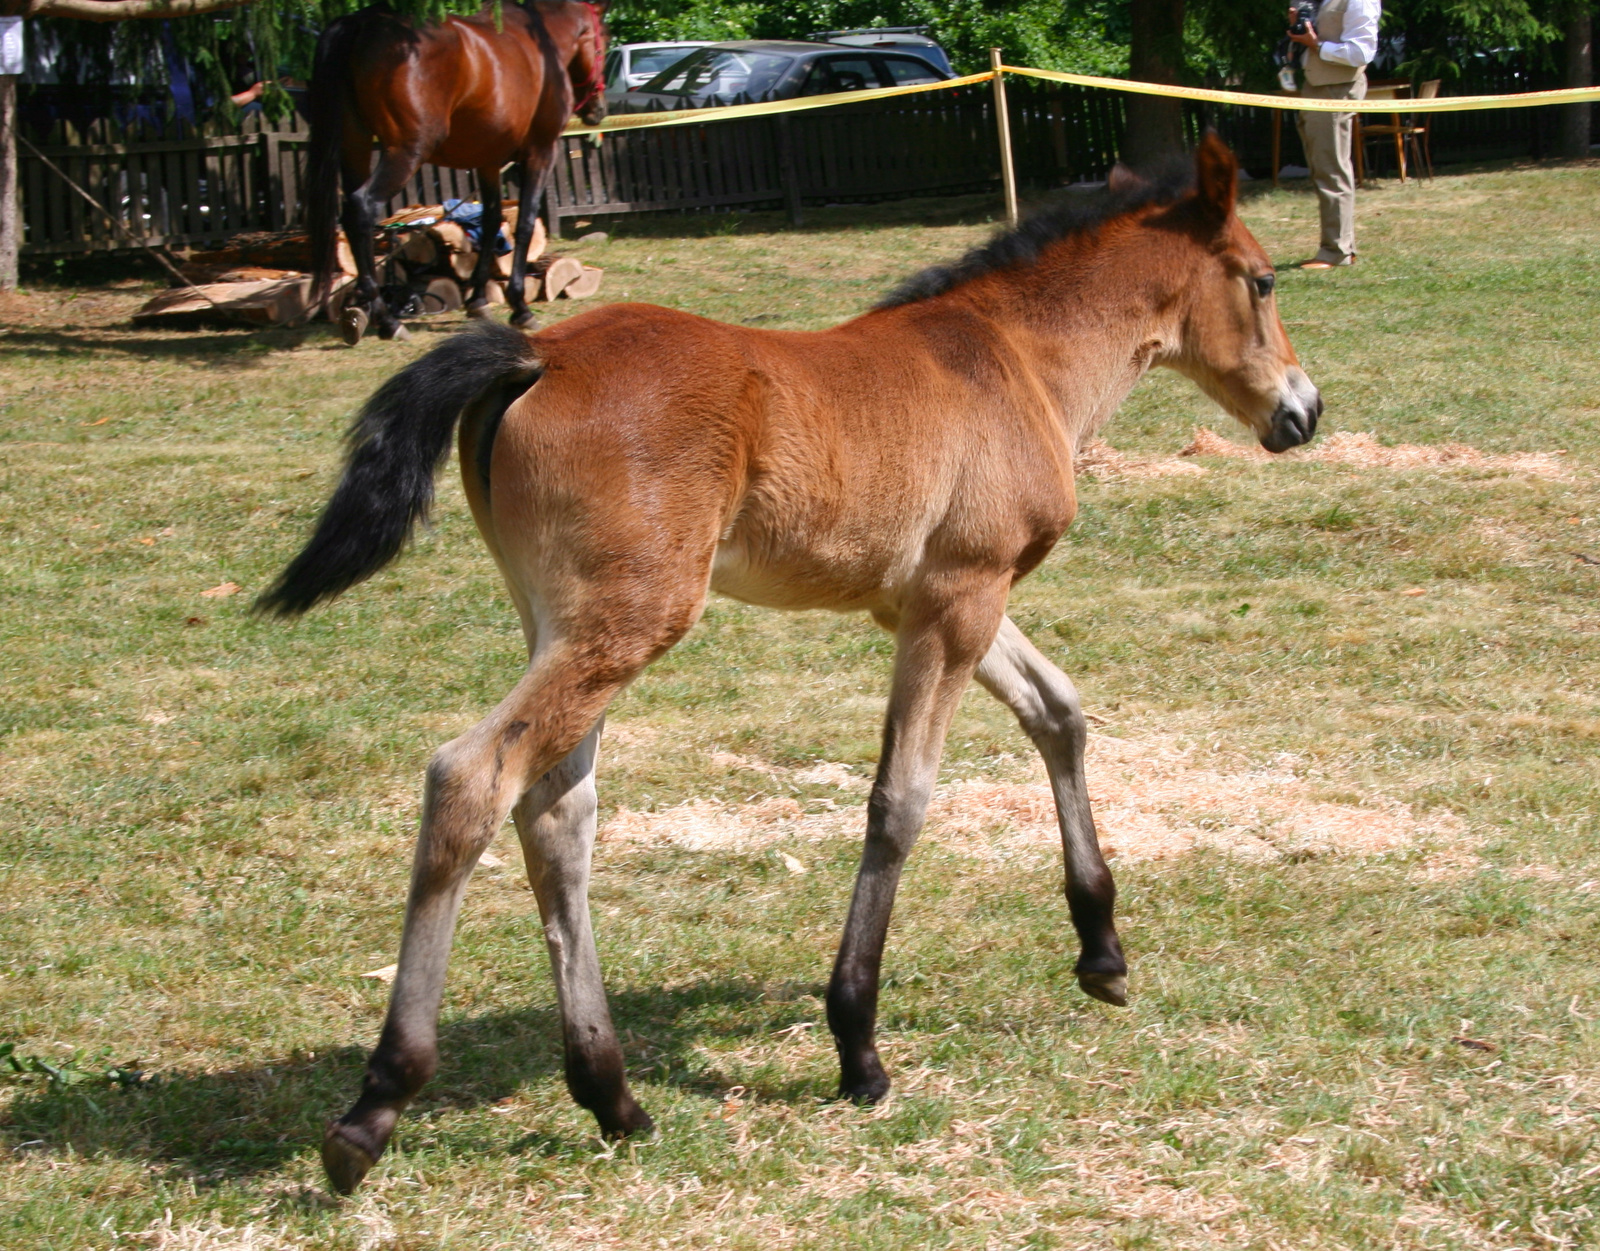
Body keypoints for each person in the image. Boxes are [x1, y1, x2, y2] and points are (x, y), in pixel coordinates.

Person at [1287, 0, 1381, 268]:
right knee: (1322, 166)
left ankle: (1337, 251)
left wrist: (1316, 44)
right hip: (1315, 85)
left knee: (1332, 168)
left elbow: (1361, 52)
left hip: (1336, 88)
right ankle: (1337, 247)